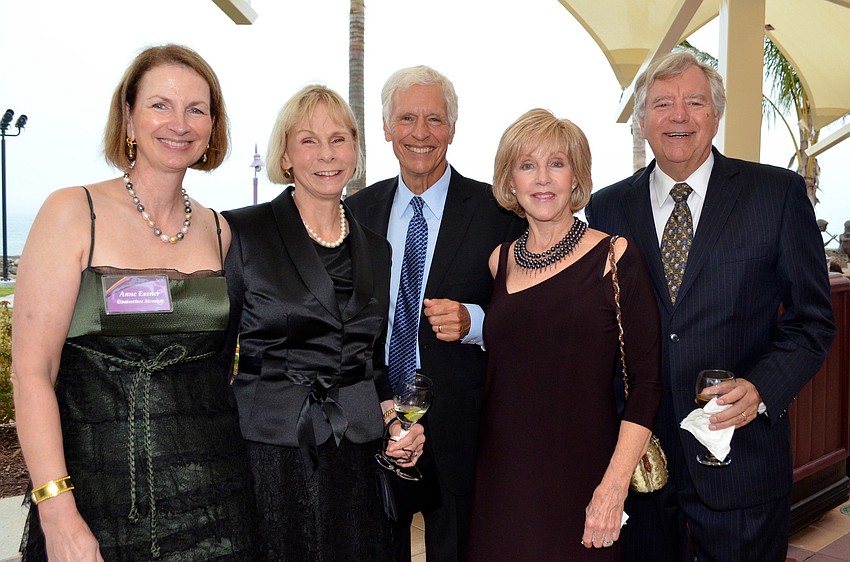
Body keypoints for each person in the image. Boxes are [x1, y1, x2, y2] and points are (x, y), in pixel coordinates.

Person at [11, 44, 260, 561]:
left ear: (213, 128)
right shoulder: (73, 212)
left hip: (215, 499)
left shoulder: (220, 232)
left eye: (197, 109)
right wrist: (57, 511)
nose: (179, 123)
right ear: (127, 115)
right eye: (160, 105)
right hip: (97, 498)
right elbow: (32, 371)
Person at [585, 50, 836, 561]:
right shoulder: (606, 207)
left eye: (694, 102)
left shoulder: (776, 195)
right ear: (642, 120)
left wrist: (763, 387)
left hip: (741, 462)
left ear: (715, 116)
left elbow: (813, 321)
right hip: (642, 465)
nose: (679, 116)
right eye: (662, 104)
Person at [222, 84, 424, 561]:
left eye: (339, 139)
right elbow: (216, 354)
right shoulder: (243, 233)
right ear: (285, 155)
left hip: (357, 451)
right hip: (271, 451)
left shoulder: (377, 247)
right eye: (309, 140)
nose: (326, 154)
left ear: (356, 148)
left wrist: (396, 423)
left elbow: (371, 362)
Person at [465, 108, 662, 561]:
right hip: (502, 480)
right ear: (510, 181)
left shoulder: (615, 257)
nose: (543, 179)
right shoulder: (500, 261)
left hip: (585, 479)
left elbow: (648, 384)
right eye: (527, 165)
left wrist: (613, 487)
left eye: (557, 163)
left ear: (576, 178)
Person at [346, 65, 524, 561]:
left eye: (434, 119)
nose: (420, 133)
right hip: (374, 424)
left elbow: (530, 313)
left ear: (453, 128)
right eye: (406, 119)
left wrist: (477, 322)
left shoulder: (498, 212)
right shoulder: (356, 212)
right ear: (385, 128)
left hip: (461, 436)